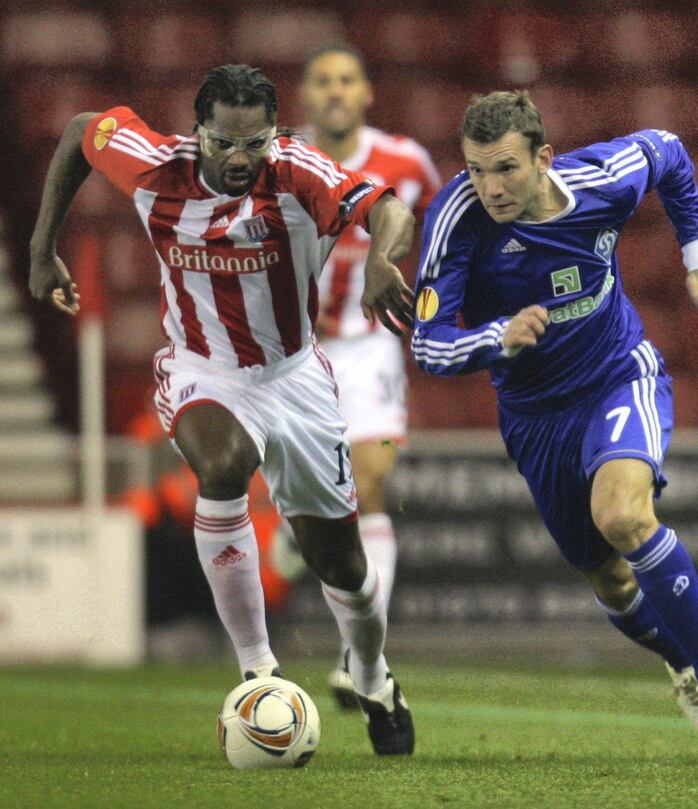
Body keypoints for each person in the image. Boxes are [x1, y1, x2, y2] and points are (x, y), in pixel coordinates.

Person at [28, 63, 416, 755]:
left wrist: (384, 258)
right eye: (224, 144)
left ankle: (374, 672)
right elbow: (82, 132)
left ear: (275, 134)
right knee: (223, 464)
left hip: (295, 378)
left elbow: (390, 207)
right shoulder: (152, 165)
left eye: (255, 144)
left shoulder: (297, 171)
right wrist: (42, 245)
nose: (240, 159)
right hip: (201, 367)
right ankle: (257, 672)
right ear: (197, 131)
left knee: (343, 567)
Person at [412, 90, 698, 750]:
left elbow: (668, 150)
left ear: (544, 158)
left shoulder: (601, 180)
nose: (490, 187)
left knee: (623, 514)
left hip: (617, 375)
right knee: (610, 576)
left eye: (506, 168)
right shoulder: (457, 216)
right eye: (477, 169)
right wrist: (495, 337)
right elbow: (428, 343)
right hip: (535, 416)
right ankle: (684, 661)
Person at [270, 43, 442, 707]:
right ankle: (291, 539)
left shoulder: (406, 161)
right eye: (322, 81)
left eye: (347, 79)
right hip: (292, 351)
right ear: (306, 96)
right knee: (307, 506)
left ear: (367, 92)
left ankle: (358, 652)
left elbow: (443, 225)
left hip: (369, 346)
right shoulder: (280, 161)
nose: (336, 91)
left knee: (369, 479)